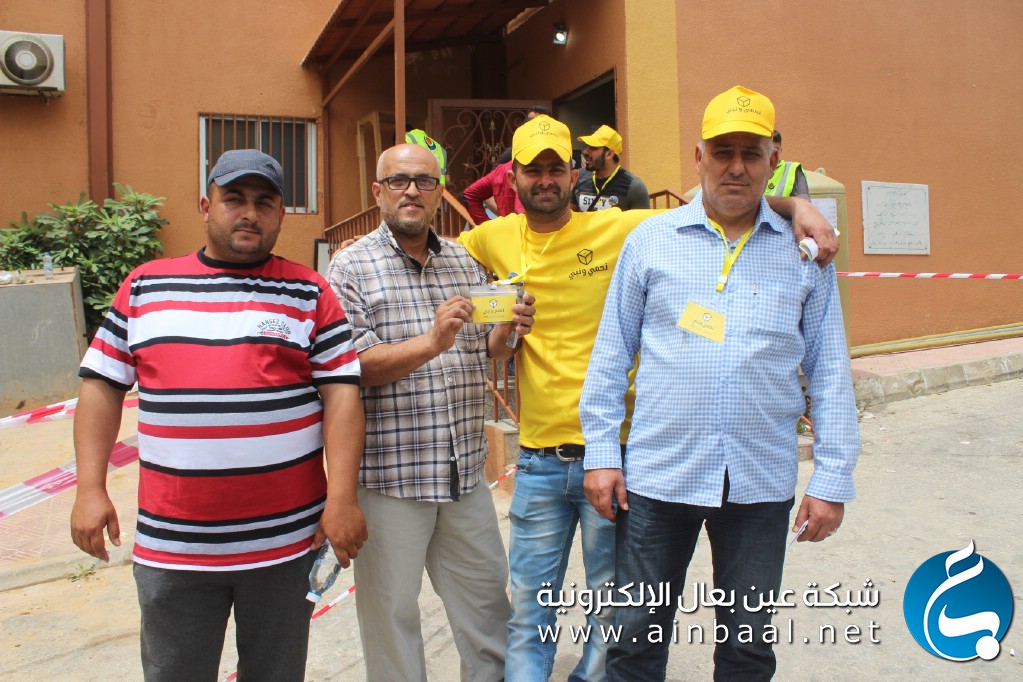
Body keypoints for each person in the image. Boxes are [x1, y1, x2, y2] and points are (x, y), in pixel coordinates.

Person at [459, 114, 843, 682]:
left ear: (574, 173)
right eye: (531, 170)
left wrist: (795, 206)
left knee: (622, 616)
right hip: (551, 461)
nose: (544, 180)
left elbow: (721, 202)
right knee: (538, 611)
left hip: (628, 456)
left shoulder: (626, 229)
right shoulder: (491, 238)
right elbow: (438, 255)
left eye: (555, 168)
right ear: (511, 177)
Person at [579, 85, 860, 681]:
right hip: (658, 477)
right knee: (634, 642)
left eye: (751, 153)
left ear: (772, 161)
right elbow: (610, 355)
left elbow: (830, 370)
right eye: (722, 151)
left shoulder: (805, 254)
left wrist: (832, 477)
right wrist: (601, 452)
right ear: (699, 156)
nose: (736, 166)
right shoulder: (650, 241)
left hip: (759, 480)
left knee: (748, 648)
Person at [70, 149, 366, 681]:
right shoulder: (145, 287)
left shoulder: (310, 292)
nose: (249, 213)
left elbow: (342, 395)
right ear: (206, 206)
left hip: (285, 543)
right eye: (234, 199)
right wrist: (89, 488)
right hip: (175, 545)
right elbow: (101, 387)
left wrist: (342, 499)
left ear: (280, 215)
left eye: (264, 202)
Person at [328, 142, 536, 682]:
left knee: (488, 608)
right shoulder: (350, 266)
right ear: (378, 192)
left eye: (424, 181)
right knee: (392, 619)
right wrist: (432, 341)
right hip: (391, 481)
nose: (412, 191)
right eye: (399, 181)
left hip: (464, 476)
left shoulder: (463, 262)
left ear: (439, 193)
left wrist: (509, 330)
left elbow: (486, 349)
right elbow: (353, 366)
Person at [571, 124, 650, 211]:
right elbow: (570, 216)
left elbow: (642, 219)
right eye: (586, 146)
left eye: (593, 147)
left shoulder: (634, 187)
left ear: (609, 154)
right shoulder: (578, 178)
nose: (585, 152)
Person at [766, 129, 810, 199]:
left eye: (776, 150)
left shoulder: (792, 170)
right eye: (769, 150)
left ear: (780, 151)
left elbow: (804, 202)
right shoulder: (754, 168)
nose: (773, 155)